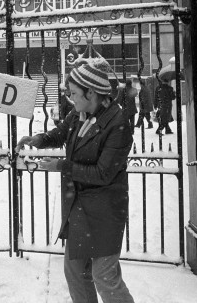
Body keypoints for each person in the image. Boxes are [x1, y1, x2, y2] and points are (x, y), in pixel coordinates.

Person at [16, 60, 135, 303]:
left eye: (74, 94)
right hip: (79, 207)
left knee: (104, 275)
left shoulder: (118, 123)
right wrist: (39, 139)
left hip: (106, 209)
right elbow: (61, 132)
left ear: (91, 92)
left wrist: (62, 166)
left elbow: (104, 173)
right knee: (75, 272)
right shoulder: (80, 113)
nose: (71, 99)